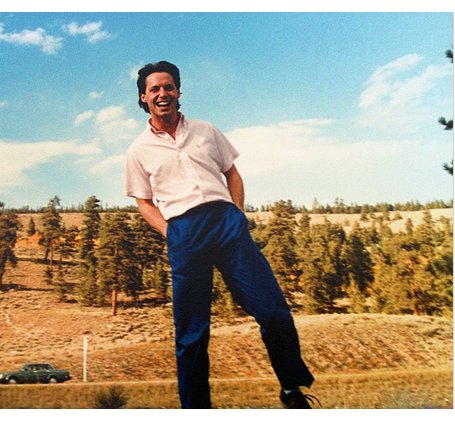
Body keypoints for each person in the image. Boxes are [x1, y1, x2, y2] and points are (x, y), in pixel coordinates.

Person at [125, 60, 318, 409]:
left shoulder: (206, 130)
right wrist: (171, 233)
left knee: (273, 310)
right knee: (192, 333)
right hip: (184, 231)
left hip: (226, 223)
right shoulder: (138, 150)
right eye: (155, 89)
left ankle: (292, 388)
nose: (163, 93)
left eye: (169, 87)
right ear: (143, 98)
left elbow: (232, 173)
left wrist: (237, 213)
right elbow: (144, 202)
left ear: (178, 92)